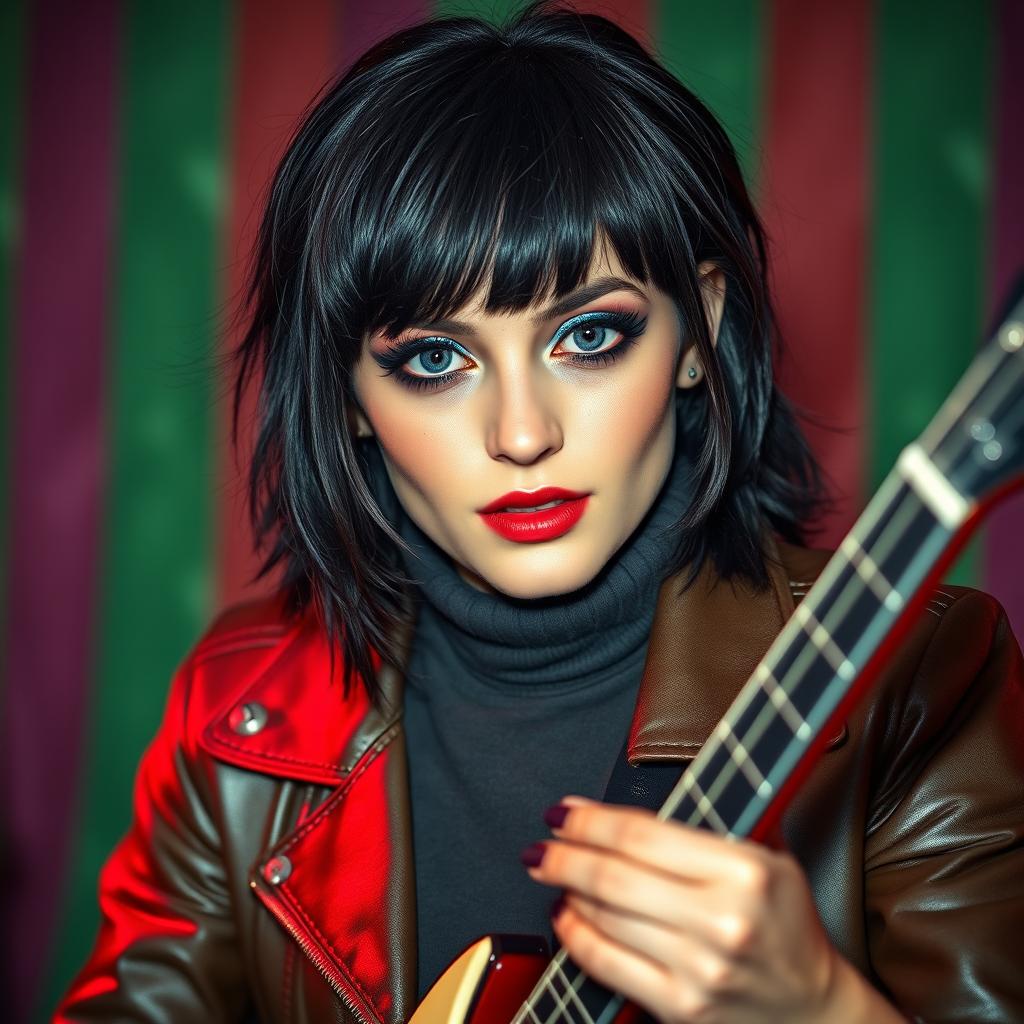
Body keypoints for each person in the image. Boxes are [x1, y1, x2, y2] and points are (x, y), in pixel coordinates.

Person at [55, 2, 1024, 1022]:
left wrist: (820, 1008)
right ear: (347, 397)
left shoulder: (918, 677)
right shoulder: (240, 716)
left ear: (700, 332)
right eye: (435, 359)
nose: (521, 434)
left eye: (589, 338)